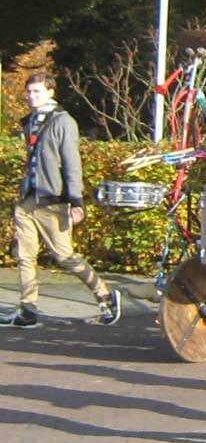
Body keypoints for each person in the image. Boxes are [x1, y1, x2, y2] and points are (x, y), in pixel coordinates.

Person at [1, 73, 120, 329]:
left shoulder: (63, 121)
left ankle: (105, 296)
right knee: (25, 256)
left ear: (51, 92)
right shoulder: (30, 121)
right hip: (28, 200)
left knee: (65, 256)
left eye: (37, 92)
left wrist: (76, 201)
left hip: (53, 201)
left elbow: (71, 163)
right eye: (29, 92)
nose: (31, 97)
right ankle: (28, 309)